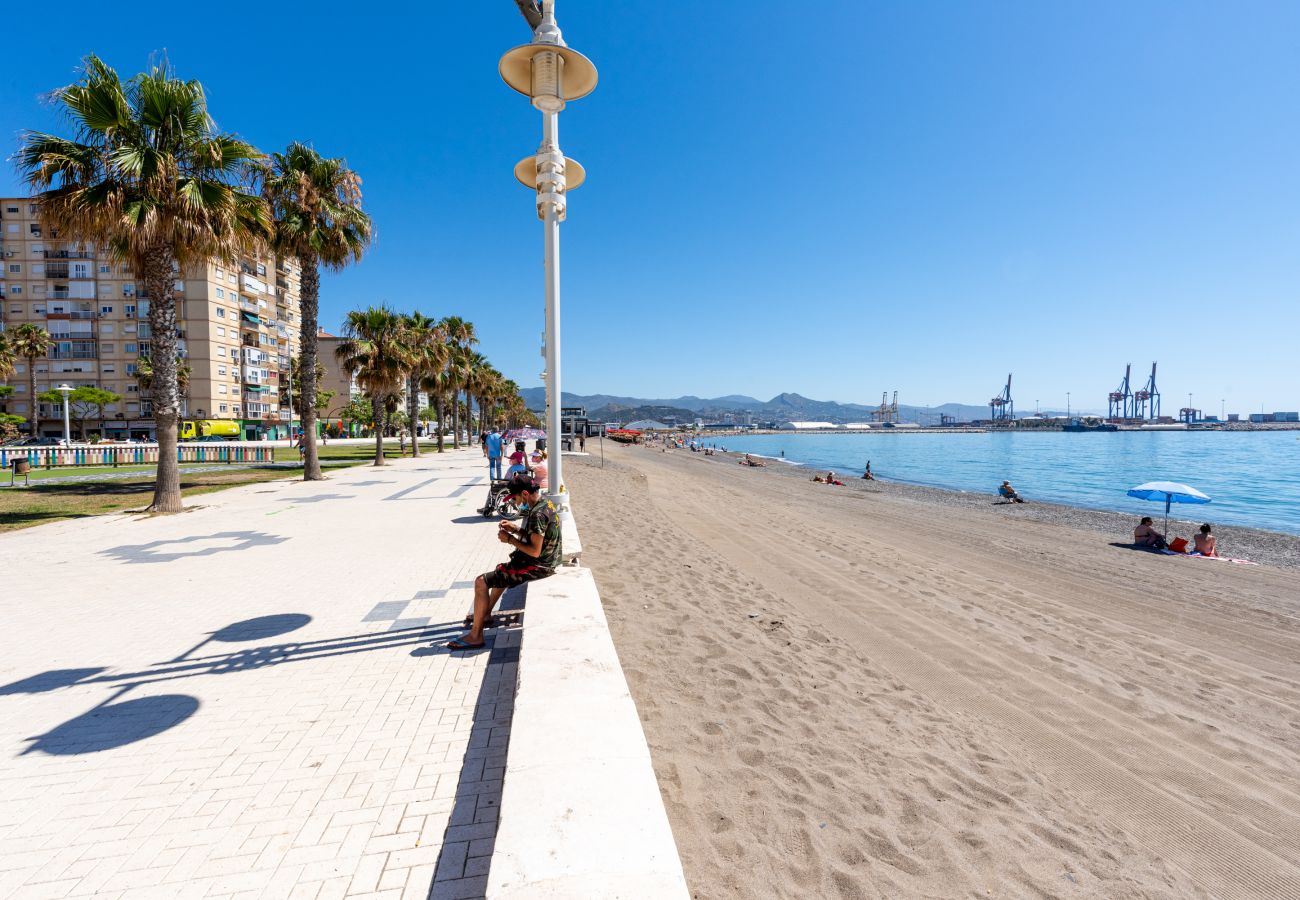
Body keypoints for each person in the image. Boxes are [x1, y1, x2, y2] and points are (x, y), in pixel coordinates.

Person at [449, 474, 562, 650]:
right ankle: (485, 615)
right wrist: (516, 529)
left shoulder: (537, 514)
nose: (514, 502)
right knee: (501, 570)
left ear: (524, 493)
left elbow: (534, 550)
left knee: (481, 582)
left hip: (539, 566)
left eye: (515, 497)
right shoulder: (545, 504)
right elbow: (537, 539)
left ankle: (476, 635)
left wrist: (510, 539)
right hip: (547, 561)